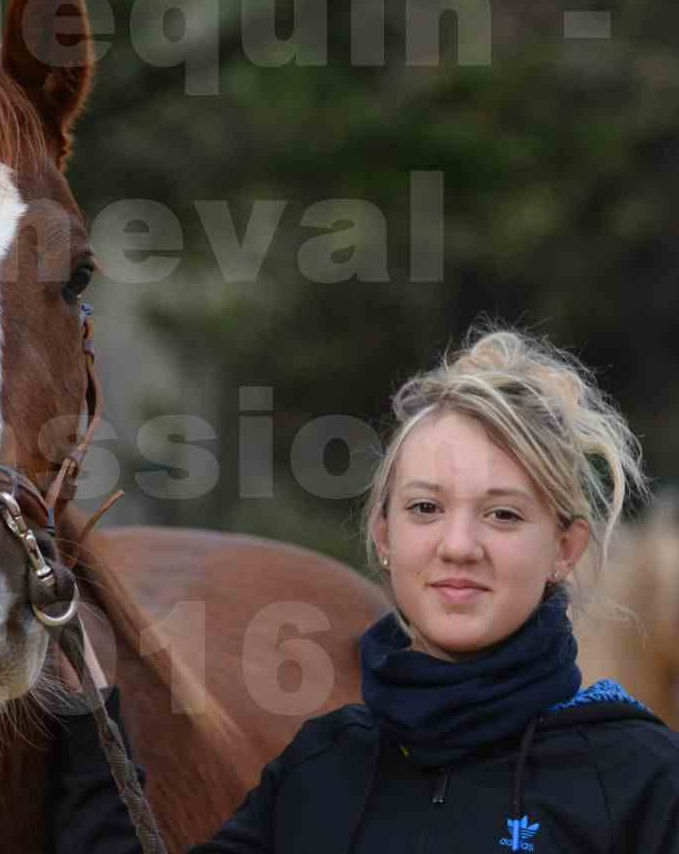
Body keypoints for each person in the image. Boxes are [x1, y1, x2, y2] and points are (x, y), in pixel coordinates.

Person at [47, 324, 679, 853]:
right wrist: (93, 733)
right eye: (426, 509)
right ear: (384, 535)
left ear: (564, 551)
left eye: (503, 515)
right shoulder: (322, 770)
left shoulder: (639, 777)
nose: (458, 545)